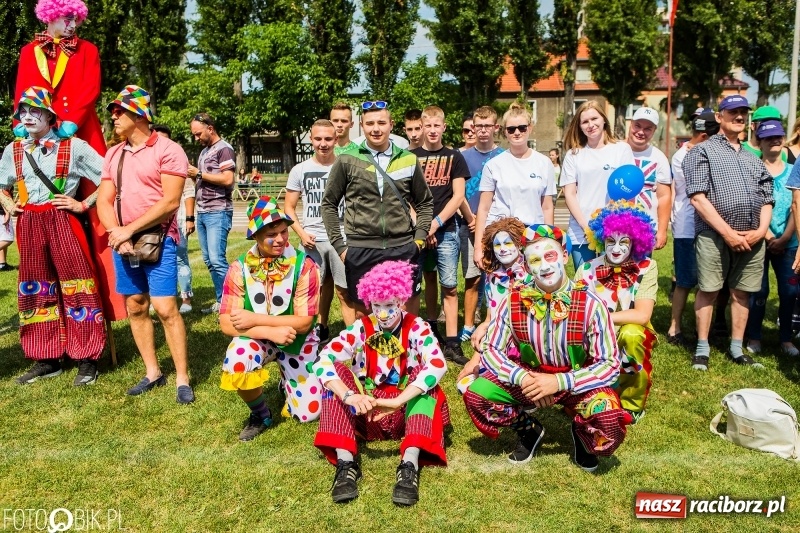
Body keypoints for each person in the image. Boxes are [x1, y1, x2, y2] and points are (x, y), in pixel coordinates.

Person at [462, 224, 630, 471]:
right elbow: (490, 350)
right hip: (528, 377)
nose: (544, 266)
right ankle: (529, 430)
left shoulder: (592, 304)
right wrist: (524, 378)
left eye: (550, 256)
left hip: (575, 381)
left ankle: (583, 434)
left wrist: (559, 382)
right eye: (535, 260)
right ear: (527, 266)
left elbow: (610, 365)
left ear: (563, 255)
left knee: (607, 415)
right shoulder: (513, 300)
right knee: (477, 394)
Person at [15, 0, 126, 321]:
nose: (72, 25)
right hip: (37, 136)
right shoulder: (27, 52)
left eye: (75, 19)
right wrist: (22, 128)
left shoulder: (87, 50)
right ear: (50, 17)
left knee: (96, 211)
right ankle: (49, 317)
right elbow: (21, 93)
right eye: (66, 18)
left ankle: (101, 303)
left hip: (79, 133)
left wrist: (69, 124)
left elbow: (90, 90)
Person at [313, 260, 449, 506]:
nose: (383, 313)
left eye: (389, 305)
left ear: (401, 300)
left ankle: (409, 466)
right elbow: (323, 359)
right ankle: (346, 465)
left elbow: (438, 364)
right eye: (377, 306)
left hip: (405, 413)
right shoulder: (362, 328)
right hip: (367, 411)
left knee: (425, 377)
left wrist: (399, 400)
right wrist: (349, 396)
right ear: (369, 302)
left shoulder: (417, 327)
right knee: (333, 377)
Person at [0, 87, 106, 386]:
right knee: (36, 289)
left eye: (35, 111)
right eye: (23, 112)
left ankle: (87, 358)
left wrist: (83, 204)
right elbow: (1, 184)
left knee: (77, 286)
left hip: (63, 221)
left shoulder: (74, 147)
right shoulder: (14, 150)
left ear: (49, 115)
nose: (28, 117)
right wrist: (10, 204)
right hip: (30, 223)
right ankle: (46, 358)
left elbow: (110, 177)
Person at [96, 85, 194, 403]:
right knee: (136, 305)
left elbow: (170, 202)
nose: (113, 116)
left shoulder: (168, 150)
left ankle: (182, 377)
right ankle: (153, 372)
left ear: (139, 115)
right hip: (123, 241)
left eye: (119, 111)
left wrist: (129, 230)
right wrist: (116, 232)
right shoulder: (114, 153)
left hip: (160, 240)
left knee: (166, 308)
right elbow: (104, 200)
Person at [219, 196, 322, 440]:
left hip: (298, 339)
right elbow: (225, 323)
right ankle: (260, 413)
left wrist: (252, 319)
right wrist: (268, 332)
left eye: (284, 232)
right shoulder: (239, 267)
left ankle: (286, 382)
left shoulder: (304, 266)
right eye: (271, 234)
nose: (280, 240)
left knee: (309, 414)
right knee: (237, 360)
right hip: (260, 338)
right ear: (255, 236)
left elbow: (304, 322)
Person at [684, 95, 774, 370]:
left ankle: (737, 348)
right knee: (709, 290)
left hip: (752, 235)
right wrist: (728, 233)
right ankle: (702, 348)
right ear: (719, 117)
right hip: (714, 234)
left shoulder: (753, 158)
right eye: (733, 112)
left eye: (743, 112)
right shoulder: (701, 151)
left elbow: (768, 197)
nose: (739, 117)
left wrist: (760, 230)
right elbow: (698, 198)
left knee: (742, 292)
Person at [321, 100, 433, 316]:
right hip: (360, 250)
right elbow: (328, 204)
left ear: (391, 125)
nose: (376, 129)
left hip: (402, 247)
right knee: (367, 318)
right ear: (362, 126)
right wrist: (341, 248)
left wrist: (418, 240)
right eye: (370, 123)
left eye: (381, 122)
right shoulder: (347, 159)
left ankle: (405, 350)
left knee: (405, 314)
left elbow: (425, 202)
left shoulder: (408, 159)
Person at [576, 201, 658, 421]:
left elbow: (642, 315)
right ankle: (582, 392)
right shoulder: (586, 269)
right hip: (593, 334)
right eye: (611, 241)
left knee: (632, 334)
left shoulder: (647, 267)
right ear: (601, 240)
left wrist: (602, 318)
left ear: (636, 242)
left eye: (624, 242)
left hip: (628, 332)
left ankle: (632, 403)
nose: (616, 248)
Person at [285, 119, 356, 340]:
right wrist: (301, 233)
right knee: (309, 294)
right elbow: (288, 208)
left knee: (345, 293)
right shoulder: (300, 169)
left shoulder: (346, 166)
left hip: (342, 240)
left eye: (328, 139)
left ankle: (353, 340)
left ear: (336, 139)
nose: (323, 144)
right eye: (318, 139)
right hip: (312, 241)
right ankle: (311, 339)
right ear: (310, 138)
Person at [411, 106, 469, 365]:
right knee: (415, 288)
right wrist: (423, 226)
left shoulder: (454, 157)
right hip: (417, 232)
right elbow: (404, 197)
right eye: (428, 126)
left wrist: (435, 223)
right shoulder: (410, 157)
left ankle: (453, 342)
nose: (432, 130)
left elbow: (458, 196)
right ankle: (423, 333)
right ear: (421, 127)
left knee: (449, 286)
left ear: (444, 127)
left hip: (447, 230)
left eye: (437, 126)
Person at [473, 102, 556, 268]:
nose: (517, 132)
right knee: (502, 289)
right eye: (511, 129)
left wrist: (551, 240)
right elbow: (483, 208)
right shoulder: (493, 165)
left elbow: (547, 207)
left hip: (533, 234)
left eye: (522, 128)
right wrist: (478, 246)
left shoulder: (544, 163)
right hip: (501, 236)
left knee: (531, 289)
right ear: (505, 132)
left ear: (530, 128)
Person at [745, 120, 798, 356]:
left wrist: (786, 236)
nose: (775, 141)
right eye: (769, 138)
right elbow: (750, 205)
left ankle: (786, 338)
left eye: (779, 137)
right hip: (759, 241)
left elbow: (798, 206)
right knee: (759, 291)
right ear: (760, 142)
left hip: (789, 242)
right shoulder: (753, 170)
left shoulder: (793, 170)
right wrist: (766, 234)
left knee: (789, 292)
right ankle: (754, 336)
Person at [560, 101, 635, 267]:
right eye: (585, 121)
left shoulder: (621, 149)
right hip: (582, 232)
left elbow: (628, 191)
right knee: (585, 285)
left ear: (604, 120)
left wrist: (612, 225)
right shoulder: (574, 154)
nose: (591, 125)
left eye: (594, 118)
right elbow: (570, 194)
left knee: (612, 286)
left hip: (613, 230)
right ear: (579, 126)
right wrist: (586, 227)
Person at [667, 111, 720, 347]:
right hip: (688, 226)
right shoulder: (682, 156)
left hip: (710, 224)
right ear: (704, 135)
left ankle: (708, 329)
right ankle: (674, 326)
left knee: (711, 281)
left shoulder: (701, 151)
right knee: (685, 280)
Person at [457, 217, 527, 393]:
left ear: (519, 243)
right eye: (497, 245)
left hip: (526, 342)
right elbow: (491, 316)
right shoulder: (493, 277)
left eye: (508, 243)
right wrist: (484, 326)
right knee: (465, 386)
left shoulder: (531, 274)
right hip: (498, 340)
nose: (503, 249)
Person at [459, 106, 504, 342]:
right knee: (473, 276)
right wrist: (471, 218)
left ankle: (497, 320)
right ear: (473, 127)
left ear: (496, 128)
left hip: (499, 227)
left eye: (488, 126)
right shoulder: (462, 157)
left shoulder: (505, 156)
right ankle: (468, 324)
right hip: (471, 224)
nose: (483, 131)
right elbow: (456, 193)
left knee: (500, 274)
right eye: (479, 126)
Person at [188, 112, 235, 314]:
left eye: (198, 134)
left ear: (210, 128)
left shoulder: (224, 149)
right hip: (203, 212)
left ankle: (233, 303)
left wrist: (198, 174)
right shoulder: (205, 151)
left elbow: (227, 179)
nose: (196, 138)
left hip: (218, 211)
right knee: (209, 260)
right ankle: (220, 301)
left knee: (217, 260)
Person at [152, 124, 194, 314]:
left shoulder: (177, 157)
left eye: (165, 138)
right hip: (153, 220)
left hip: (176, 219)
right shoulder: (148, 158)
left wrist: (189, 218)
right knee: (154, 259)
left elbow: (189, 190)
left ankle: (186, 298)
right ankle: (160, 299)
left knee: (180, 258)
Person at [625, 107, 672, 249]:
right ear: (630, 124)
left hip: (644, 229)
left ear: (654, 131)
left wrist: (662, 230)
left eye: (647, 129)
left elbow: (664, 197)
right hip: (613, 226)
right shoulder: (614, 150)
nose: (641, 132)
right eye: (637, 126)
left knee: (641, 270)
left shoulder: (659, 158)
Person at [0, 189, 15, 271]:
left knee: (2, 238)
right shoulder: (4, 180)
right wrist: (7, 213)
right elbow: (2, 195)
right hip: (2, 213)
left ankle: (2, 264)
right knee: (8, 239)